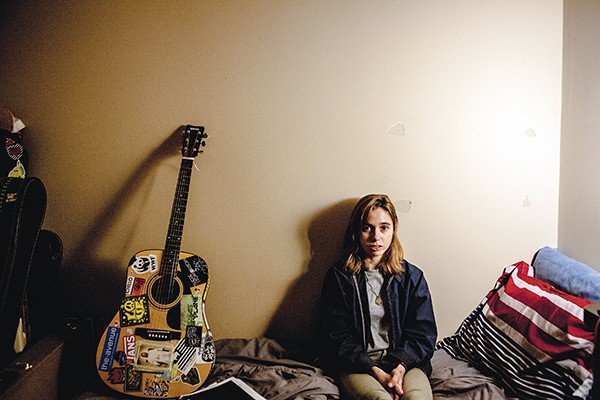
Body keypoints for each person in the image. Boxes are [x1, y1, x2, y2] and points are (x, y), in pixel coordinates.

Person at [319, 194, 437, 400]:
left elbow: (424, 335)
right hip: (358, 365)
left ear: (393, 230)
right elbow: (337, 337)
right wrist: (376, 371)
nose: (376, 237)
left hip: (406, 364)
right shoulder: (339, 277)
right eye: (367, 228)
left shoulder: (412, 277)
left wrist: (400, 368)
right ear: (356, 231)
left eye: (384, 228)